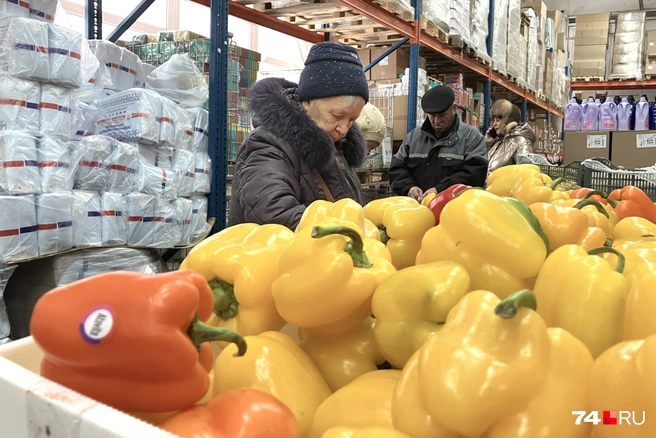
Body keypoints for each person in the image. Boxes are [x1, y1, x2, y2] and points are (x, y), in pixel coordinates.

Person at [228, 41, 369, 230]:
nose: (344, 129)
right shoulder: (266, 145)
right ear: (307, 102)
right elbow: (273, 213)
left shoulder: (337, 146)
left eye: (352, 119)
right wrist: (344, 232)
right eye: (337, 116)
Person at [389, 85, 488, 201]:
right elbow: (396, 169)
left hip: (456, 208)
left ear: (454, 108)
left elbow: (475, 174)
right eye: (432, 116)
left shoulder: (472, 138)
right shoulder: (413, 138)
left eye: (442, 115)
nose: (436, 121)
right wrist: (409, 187)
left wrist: (440, 189)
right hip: (417, 209)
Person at [485, 99, 536, 173]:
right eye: (494, 120)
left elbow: (527, 174)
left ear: (509, 121)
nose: (494, 124)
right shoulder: (498, 141)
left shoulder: (521, 142)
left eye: (498, 120)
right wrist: (487, 143)